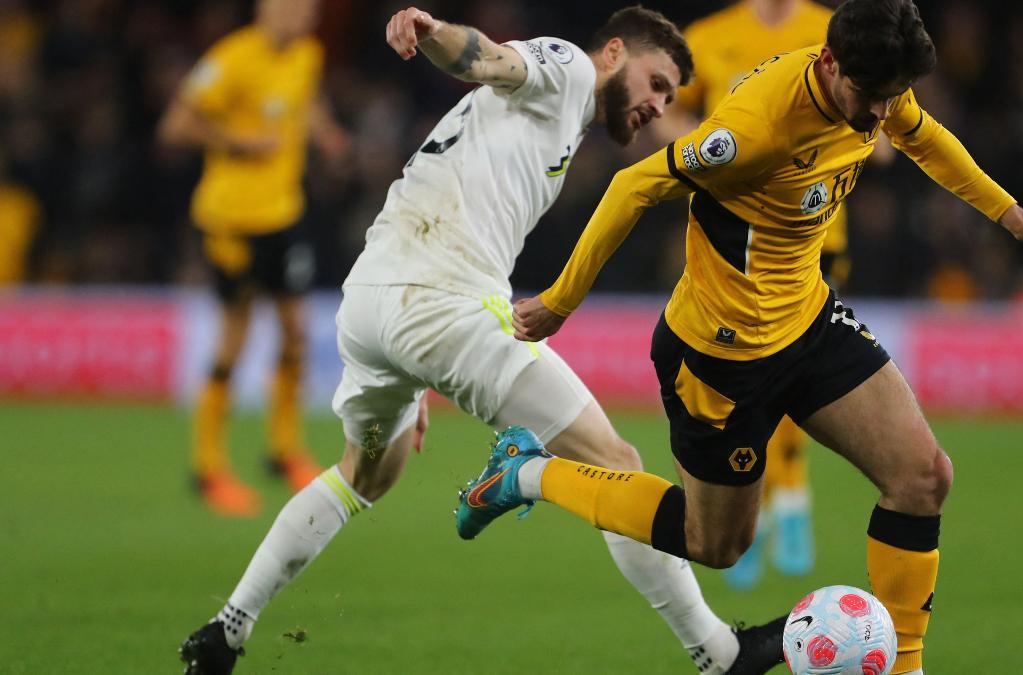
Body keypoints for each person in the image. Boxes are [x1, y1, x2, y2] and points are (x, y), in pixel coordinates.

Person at [464, 1, 1023, 673]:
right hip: (719, 355)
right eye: (871, 97)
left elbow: (921, 134)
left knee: (923, 476)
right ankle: (528, 473)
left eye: (891, 97)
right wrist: (560, 300)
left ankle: (905, 666)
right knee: (715, 542)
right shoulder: (756, 130)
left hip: (807, 320)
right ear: (829, 63)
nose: (881, 115)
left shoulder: (875, 88)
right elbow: (632, 187)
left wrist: (1013, 215)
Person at [179, 6, 783, 674]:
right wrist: (433, 32)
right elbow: (490, 58)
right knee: (615, 461)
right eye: (657, 82)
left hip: (374, 308)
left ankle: (226, 629)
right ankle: (718, 652)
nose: (657, 104)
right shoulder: (571, 68)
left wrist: (415, 356)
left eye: (669, 96)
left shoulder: (560, 119)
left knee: (364, 476)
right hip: (444, 304)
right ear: (614, 51)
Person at [665, 0, 838, 590]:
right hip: (730, 238)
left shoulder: (829, 30)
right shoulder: (708, 37)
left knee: (792, 375)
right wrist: (706, 151)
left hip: (813, 238)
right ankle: (760, 507)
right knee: (748, 381)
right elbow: (668, 116)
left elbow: (882, 120)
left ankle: (788, 504)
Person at [158, 0, 350, 517]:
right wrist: (235, 141)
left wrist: (325, 133)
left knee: (294, 334)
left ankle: (283, 450)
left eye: (308, 9)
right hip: (231, 221)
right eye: (291, 6)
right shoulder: (231, 59)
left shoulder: (307, 55)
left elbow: (303, 101)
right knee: (234, 339)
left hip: (283, 215)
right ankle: (207, 467)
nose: (301, 16)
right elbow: (174, 126)